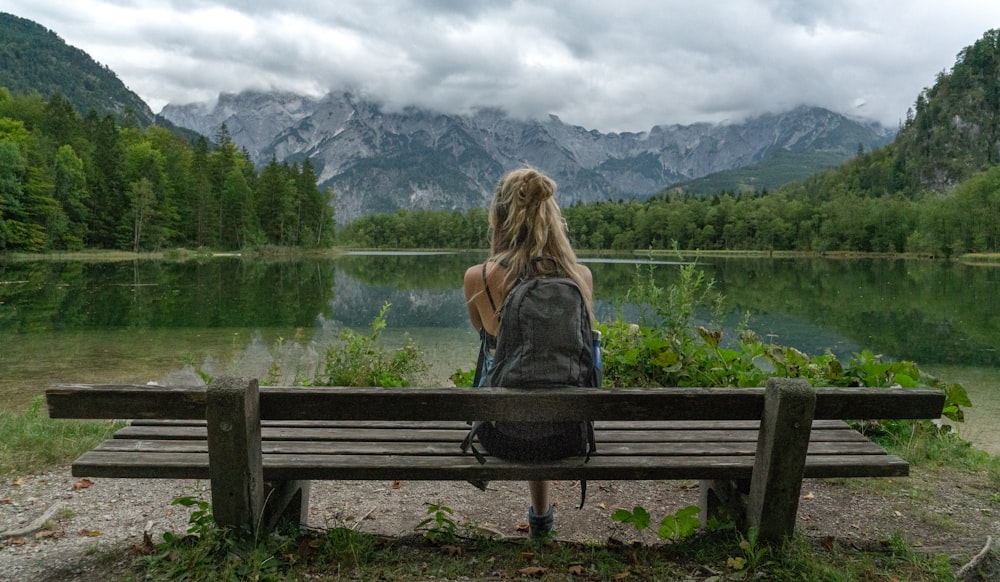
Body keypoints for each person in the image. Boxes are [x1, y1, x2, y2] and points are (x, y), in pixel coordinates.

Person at [462, 167, 594, 539]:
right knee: (546, 387)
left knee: (520, 386)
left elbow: (492, 348)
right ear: (552, 215)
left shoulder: (480, 276)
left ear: (499, 217)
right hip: (568, 434)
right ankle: (542, 520)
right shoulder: (579, 276)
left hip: (504, 433)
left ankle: (539, 517)